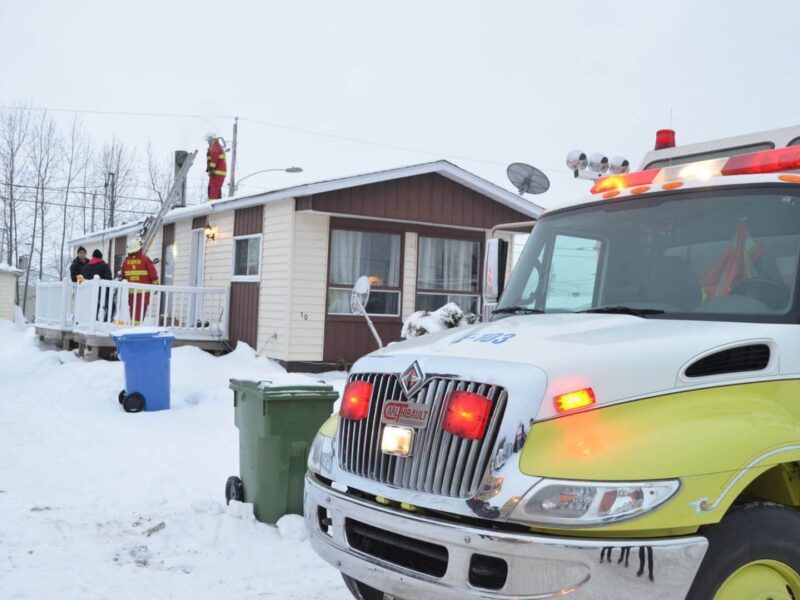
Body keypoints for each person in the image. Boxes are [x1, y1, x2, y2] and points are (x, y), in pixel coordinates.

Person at [120, 238, 159, 325]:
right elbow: (153, 273)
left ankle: (134, 325)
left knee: (133, 309)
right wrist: (156, 285)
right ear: (139, 248)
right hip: (144, 292)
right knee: (141, 310)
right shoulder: (145, 259)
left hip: (131, 292)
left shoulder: (126, 262)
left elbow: (123, 276)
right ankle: (136, 327)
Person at [80, 250, 114, 321]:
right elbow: (109, 280)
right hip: (102, 294)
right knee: (112, 307)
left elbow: (81, 280)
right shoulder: (104, 266)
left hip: (88, 294)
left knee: (94, 308)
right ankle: (106, 322)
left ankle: (93, 321)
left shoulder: (85, 267)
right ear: (101, 257)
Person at [206, 133, 227, 200]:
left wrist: (211, 167)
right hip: (217, 172)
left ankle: (212, 206)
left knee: (213, 190)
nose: (208, 142)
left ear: (212, 139)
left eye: (208, 140)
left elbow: (215, 156)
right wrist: (209, 167)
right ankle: (218, 204)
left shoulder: (215, 146)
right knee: (216, 190)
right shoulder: (216, 146)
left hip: (217, 172)